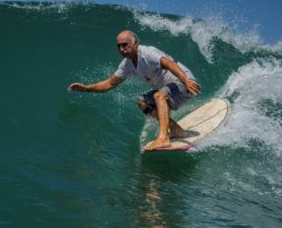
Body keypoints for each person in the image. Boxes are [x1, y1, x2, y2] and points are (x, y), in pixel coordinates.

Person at [68, 30, 201, 152]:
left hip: (183, 81)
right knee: (142, 102)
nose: (121, 49)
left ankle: (163, 139)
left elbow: (170, 64)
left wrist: (186, 80)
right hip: (168, 87)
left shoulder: (148, 53)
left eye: (125, 45)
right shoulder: (127, 64)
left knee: (159, 96)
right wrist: (86, 88)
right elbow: (110, 83)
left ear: (136, 43)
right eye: (119, 46)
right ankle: (175, 129)